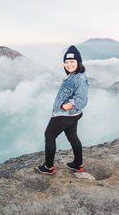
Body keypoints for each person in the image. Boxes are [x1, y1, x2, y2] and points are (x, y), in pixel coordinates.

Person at [35, 45, 89, 175]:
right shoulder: (74, 75)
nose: (69, 64)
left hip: (64, 115)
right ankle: (78, 164)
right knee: (73, 137)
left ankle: (48, 167)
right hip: (72, 115)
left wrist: (65, 106)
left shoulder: (79, 78)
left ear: (78, 62)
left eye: (72, 62)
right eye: (66, 62)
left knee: (49, 135)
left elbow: (81, 101)